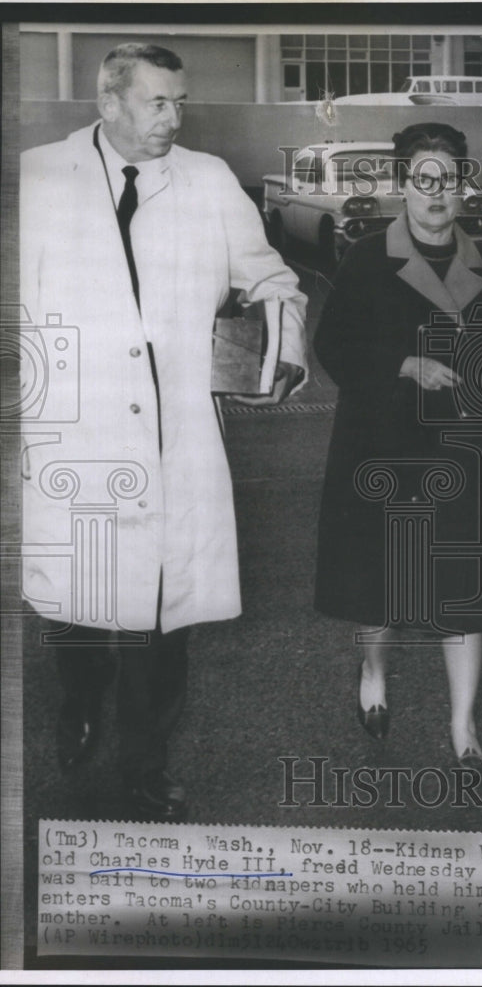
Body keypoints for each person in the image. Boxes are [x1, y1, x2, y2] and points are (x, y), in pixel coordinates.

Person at [20, 42, 307, 820]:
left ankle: (144, 765)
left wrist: (283, 348)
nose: (173, 118)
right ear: (108, 102)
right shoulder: (40, 177)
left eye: (179, 102)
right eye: (157, 102)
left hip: (174, 441)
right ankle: (80, 699)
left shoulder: (208, 179)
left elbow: (270, 277)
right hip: (77, 441)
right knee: (80, 607)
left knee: (162, 618)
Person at [314, 122, 482, 769]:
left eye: (448, 180)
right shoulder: (366, 257)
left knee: (462, 585)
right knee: (379, 583)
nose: (436, 193)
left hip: (458, 446)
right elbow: (332, 345)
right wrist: (402, 364)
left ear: (462, 187)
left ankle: (463, 725)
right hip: (379, 444)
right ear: (402, 185)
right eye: (423, 180)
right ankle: (374, 672)